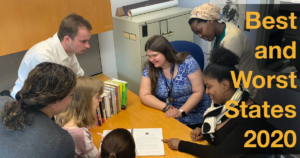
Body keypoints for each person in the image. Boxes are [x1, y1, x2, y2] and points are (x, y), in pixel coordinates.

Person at [162, 47, 279, 158]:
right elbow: (224, 131)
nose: (206, 92)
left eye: (209, 87)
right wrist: (205, 131)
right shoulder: (224, 102)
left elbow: (222, 154)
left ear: (225, 85)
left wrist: (181, 145)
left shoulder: (252, 116)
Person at [188, 3, 265, 105]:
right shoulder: (221, 31)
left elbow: (223, 76)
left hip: (247, 95)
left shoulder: (231, 39)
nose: (200, 35)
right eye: (197, 34)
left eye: (200, 31)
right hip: (233, 89)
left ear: (210, 20)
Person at [0, 62, 77, 158]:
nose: (70, 100)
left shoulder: (2, 101)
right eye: (71, 95)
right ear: (54, 101)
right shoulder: (60, 141)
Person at [11, 13, 92, 98]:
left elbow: (79, 77)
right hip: (28, 100)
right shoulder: (43, 56)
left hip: (55, 96)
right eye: (83, 41)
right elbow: (49, 96)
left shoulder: (69, 49)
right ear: (67, 39)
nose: (88, 46)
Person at [139, 35, 211, 129]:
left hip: (194, 113)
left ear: (166, 52)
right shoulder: (150, 69)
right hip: (168, 113)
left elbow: (199, 91)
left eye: (154, 55)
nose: (151, 60)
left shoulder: (188, 62)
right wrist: (167, 108)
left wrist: (181, 112)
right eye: (148, 56)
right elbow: (144, 95)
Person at [56, 76, 104, 158]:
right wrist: (105, 146)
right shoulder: (79, 134)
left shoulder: (63, 117)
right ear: (85, 101)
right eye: (97, 97)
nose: (100, 100)